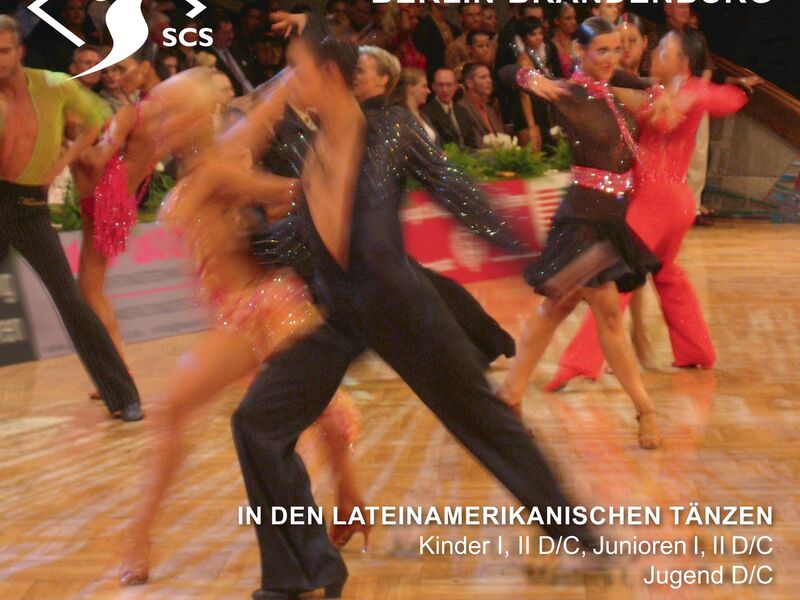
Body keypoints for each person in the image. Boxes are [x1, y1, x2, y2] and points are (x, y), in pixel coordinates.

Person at [234, 13, 599, 600]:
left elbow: (457, 192)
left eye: (296, 70)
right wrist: (234, 238)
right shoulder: (307, 150)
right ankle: (305, 571)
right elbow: (298, 239)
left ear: (330, 74)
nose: (286, 82)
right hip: (338, 313)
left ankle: (579, 533)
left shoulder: (390, 130)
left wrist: (532, 260)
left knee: (482, 420)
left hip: (402, 307)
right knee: (256, 424)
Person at [117, 72, 363, 585]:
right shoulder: (220, 154)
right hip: (252, 307)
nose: (156, 125)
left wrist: (316, 179)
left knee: (172, 409)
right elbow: (268, 108)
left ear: (196, 119)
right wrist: (298, 70)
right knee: (314, 407)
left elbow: (292, 190)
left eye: (167, 115)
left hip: (254, 310)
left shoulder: (214, 170)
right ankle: (350, 497)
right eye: (155, 115)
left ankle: (138, 535)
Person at [545, 29, 749, 391]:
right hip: (671, 202)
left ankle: (579, 362)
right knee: (667, 275)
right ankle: (697, 351)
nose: (655, 52)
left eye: (664, 49)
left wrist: (694, 95)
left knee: (615, 275)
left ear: (682, 62)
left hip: (658, 200)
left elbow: (731, 99)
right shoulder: (661, 90)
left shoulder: (688, 89)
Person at [498, 17, 662, 449]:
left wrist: (652, 86)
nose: (610, 58)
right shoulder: (567, 92)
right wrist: (529, 77)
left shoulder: (609, 89)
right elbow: (505, 71)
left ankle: (510, 395)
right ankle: (645, 408)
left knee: (555, 308)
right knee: (607, 313)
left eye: (615, 50)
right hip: (583, 221)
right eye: (600, 51)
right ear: (580, 52)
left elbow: (628, 77)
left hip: (610, 218)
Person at [0, 16, 141, 420]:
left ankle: (123, 396)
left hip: (28, 206)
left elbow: (99, 118)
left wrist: (61, 162)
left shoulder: (53, 84)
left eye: (4, 51)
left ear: (19, 52)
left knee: (70, 299)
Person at [516, 17, 562, 150]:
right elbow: (524, 96)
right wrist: (531, 125)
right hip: (533, 113)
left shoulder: (539, 56)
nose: (538, 37)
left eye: (540, 33)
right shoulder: (525, 60)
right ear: (524, 38)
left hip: (544, 111)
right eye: (533, 34)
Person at [423, 67, 475, 149]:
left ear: (456, 86)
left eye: (449, 85)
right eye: (440, 85)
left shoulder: (462, 111)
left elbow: (472, 142)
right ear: (433, 86)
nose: (445, 89)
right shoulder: (427, 113)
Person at [457, 62, 504, 148]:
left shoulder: (489, 108)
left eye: (489, 77)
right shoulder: (461, 109)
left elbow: (501, 136)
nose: (489, 80)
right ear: (469, 83)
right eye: (483, 77)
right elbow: (474, 144)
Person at [392, 68, 437, 144]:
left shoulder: (424, 116)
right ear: (410, 88)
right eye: (424, 86)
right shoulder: (398, 115)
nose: (428, 91)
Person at [445, 4, 483, 69]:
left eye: (478, 14)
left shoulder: (489, 42)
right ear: (461, 17)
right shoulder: (454, 47)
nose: (476, 19)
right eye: (470, 15)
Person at [550, 4, 578, 77]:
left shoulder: (578, 41)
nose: (574, 22)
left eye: (574, 18)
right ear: (557, 21)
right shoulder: (550, 46)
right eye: (568, 18)